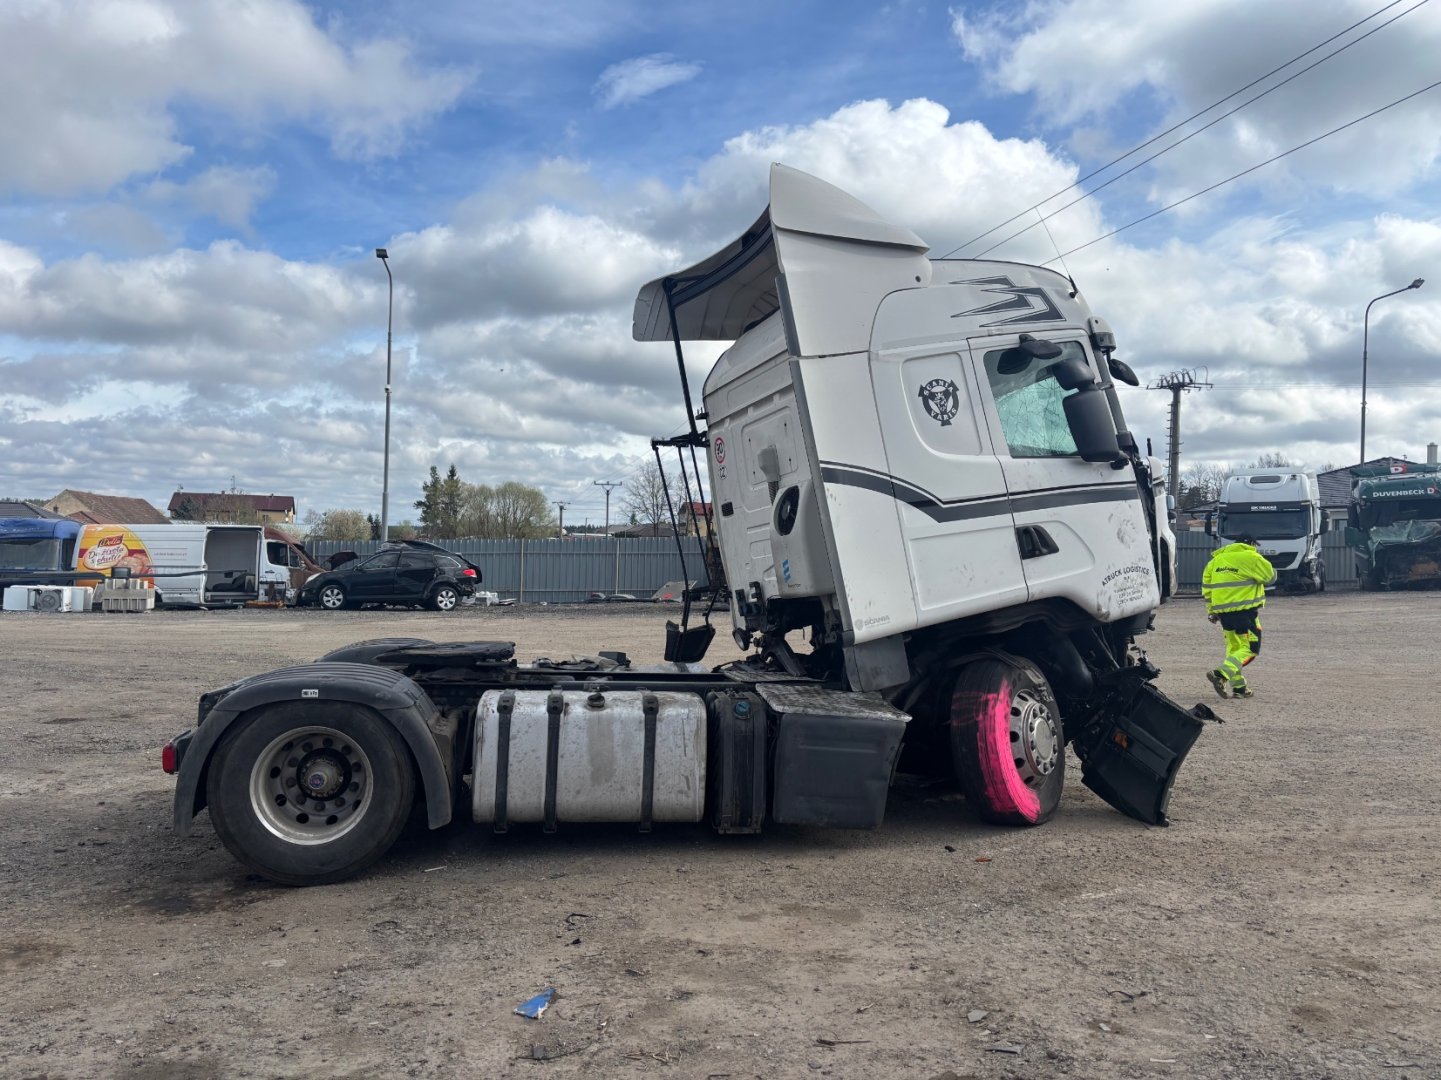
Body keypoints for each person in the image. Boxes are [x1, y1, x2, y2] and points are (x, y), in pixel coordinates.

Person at [1201, 533, 1275, 699]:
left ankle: (1239, 687)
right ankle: (1220, 675)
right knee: (1250, 649)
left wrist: (1211, 611)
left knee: (1235, 649)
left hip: (1224, 615)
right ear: (1251, 543)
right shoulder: (1252, 557)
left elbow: (1207, 589)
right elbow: (1270, 577)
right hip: (1245, 613)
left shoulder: (1215, 561)